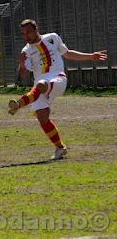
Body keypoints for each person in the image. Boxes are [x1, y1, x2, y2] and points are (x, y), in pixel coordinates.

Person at [8, 19, 107, 160]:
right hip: (39, 89)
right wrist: (22, 64)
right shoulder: (26, 51)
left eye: (28, 32)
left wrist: (90, 56)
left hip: (57, 79)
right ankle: (60, 148)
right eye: (23, 34)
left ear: (36, 29)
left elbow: (68, 54)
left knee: (41, 84)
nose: (26, 36)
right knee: (43, 118)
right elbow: (23, 75)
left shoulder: (52, 38)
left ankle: (19, 104)